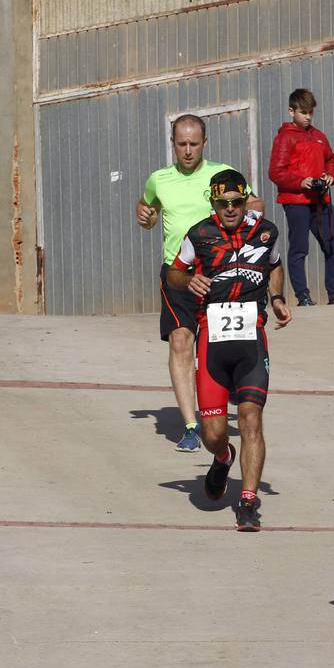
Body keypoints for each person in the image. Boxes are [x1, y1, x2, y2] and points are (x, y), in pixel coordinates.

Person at [167, 169, 291, 531]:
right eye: (223, 203)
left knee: (252, 418)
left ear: (245, 200)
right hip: (213, 339)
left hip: (252, 338)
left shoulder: (266, 231)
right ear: (213, 202)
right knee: (213, 431)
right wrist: (190, 279)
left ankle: (248, 501)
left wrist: (279, 298)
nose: (231, 209)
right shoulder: (199, 234)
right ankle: (222, 457)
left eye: (237, 202)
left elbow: (275, 265)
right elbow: (173, 272)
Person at [137, 114, 262, 453]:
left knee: (217, 345)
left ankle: (223, 398)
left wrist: (251, 219)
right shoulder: (159, 180)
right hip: (178, 273)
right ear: (172, 143)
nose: (188, 151)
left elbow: (253, 203)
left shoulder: (222, 175)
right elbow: (146, 208)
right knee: (180, 341)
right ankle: (191, 425)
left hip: (220, 275)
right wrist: (145, 217)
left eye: (194, 144)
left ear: (205, 143)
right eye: (181, 144)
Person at [267, 87, 334, 306]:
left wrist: (331, 176)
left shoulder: (319, 136)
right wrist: (300, 182)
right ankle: (303, 297)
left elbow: (332, 160)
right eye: (304, 112)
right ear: (291, 111)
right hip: (297, 202)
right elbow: (276, 171)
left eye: (311, 112)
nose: (308, 117)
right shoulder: (284, 138)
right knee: (300, 249)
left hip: (321, 200)